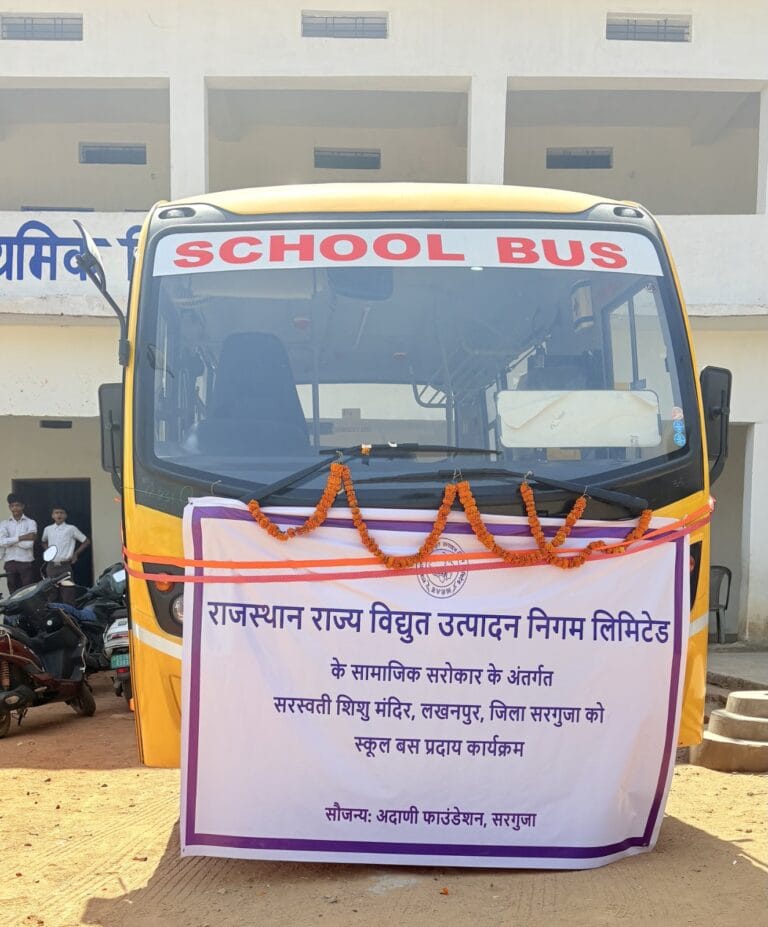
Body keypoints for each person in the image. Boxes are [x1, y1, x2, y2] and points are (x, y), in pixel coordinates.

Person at [42, 506, 90, 604]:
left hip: (65, 566)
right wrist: (48, 551)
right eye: (56, 513)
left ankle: (69, 618)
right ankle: (54, 618)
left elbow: (86, 541)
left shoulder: (71, 529)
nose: (59, 515)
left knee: (68, 594)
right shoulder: (48, 529)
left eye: (61, 513)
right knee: (51, 594)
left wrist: (75, 554)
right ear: (52, 515)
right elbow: (43, 541)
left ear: (65, 515)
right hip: (51, 566)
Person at [0, 493, 38, 593]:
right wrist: (23, 537)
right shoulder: (4, 524)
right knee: (12, 591)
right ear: (9, 507)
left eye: (17, 505)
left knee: (27, 592)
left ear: (22, 506)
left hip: (26, 562)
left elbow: (29, 545)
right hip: (10, 562)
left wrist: (9, 541)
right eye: (12, 506)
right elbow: (1, 542)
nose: (15, 508)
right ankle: (15, 609)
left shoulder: (31, 522)